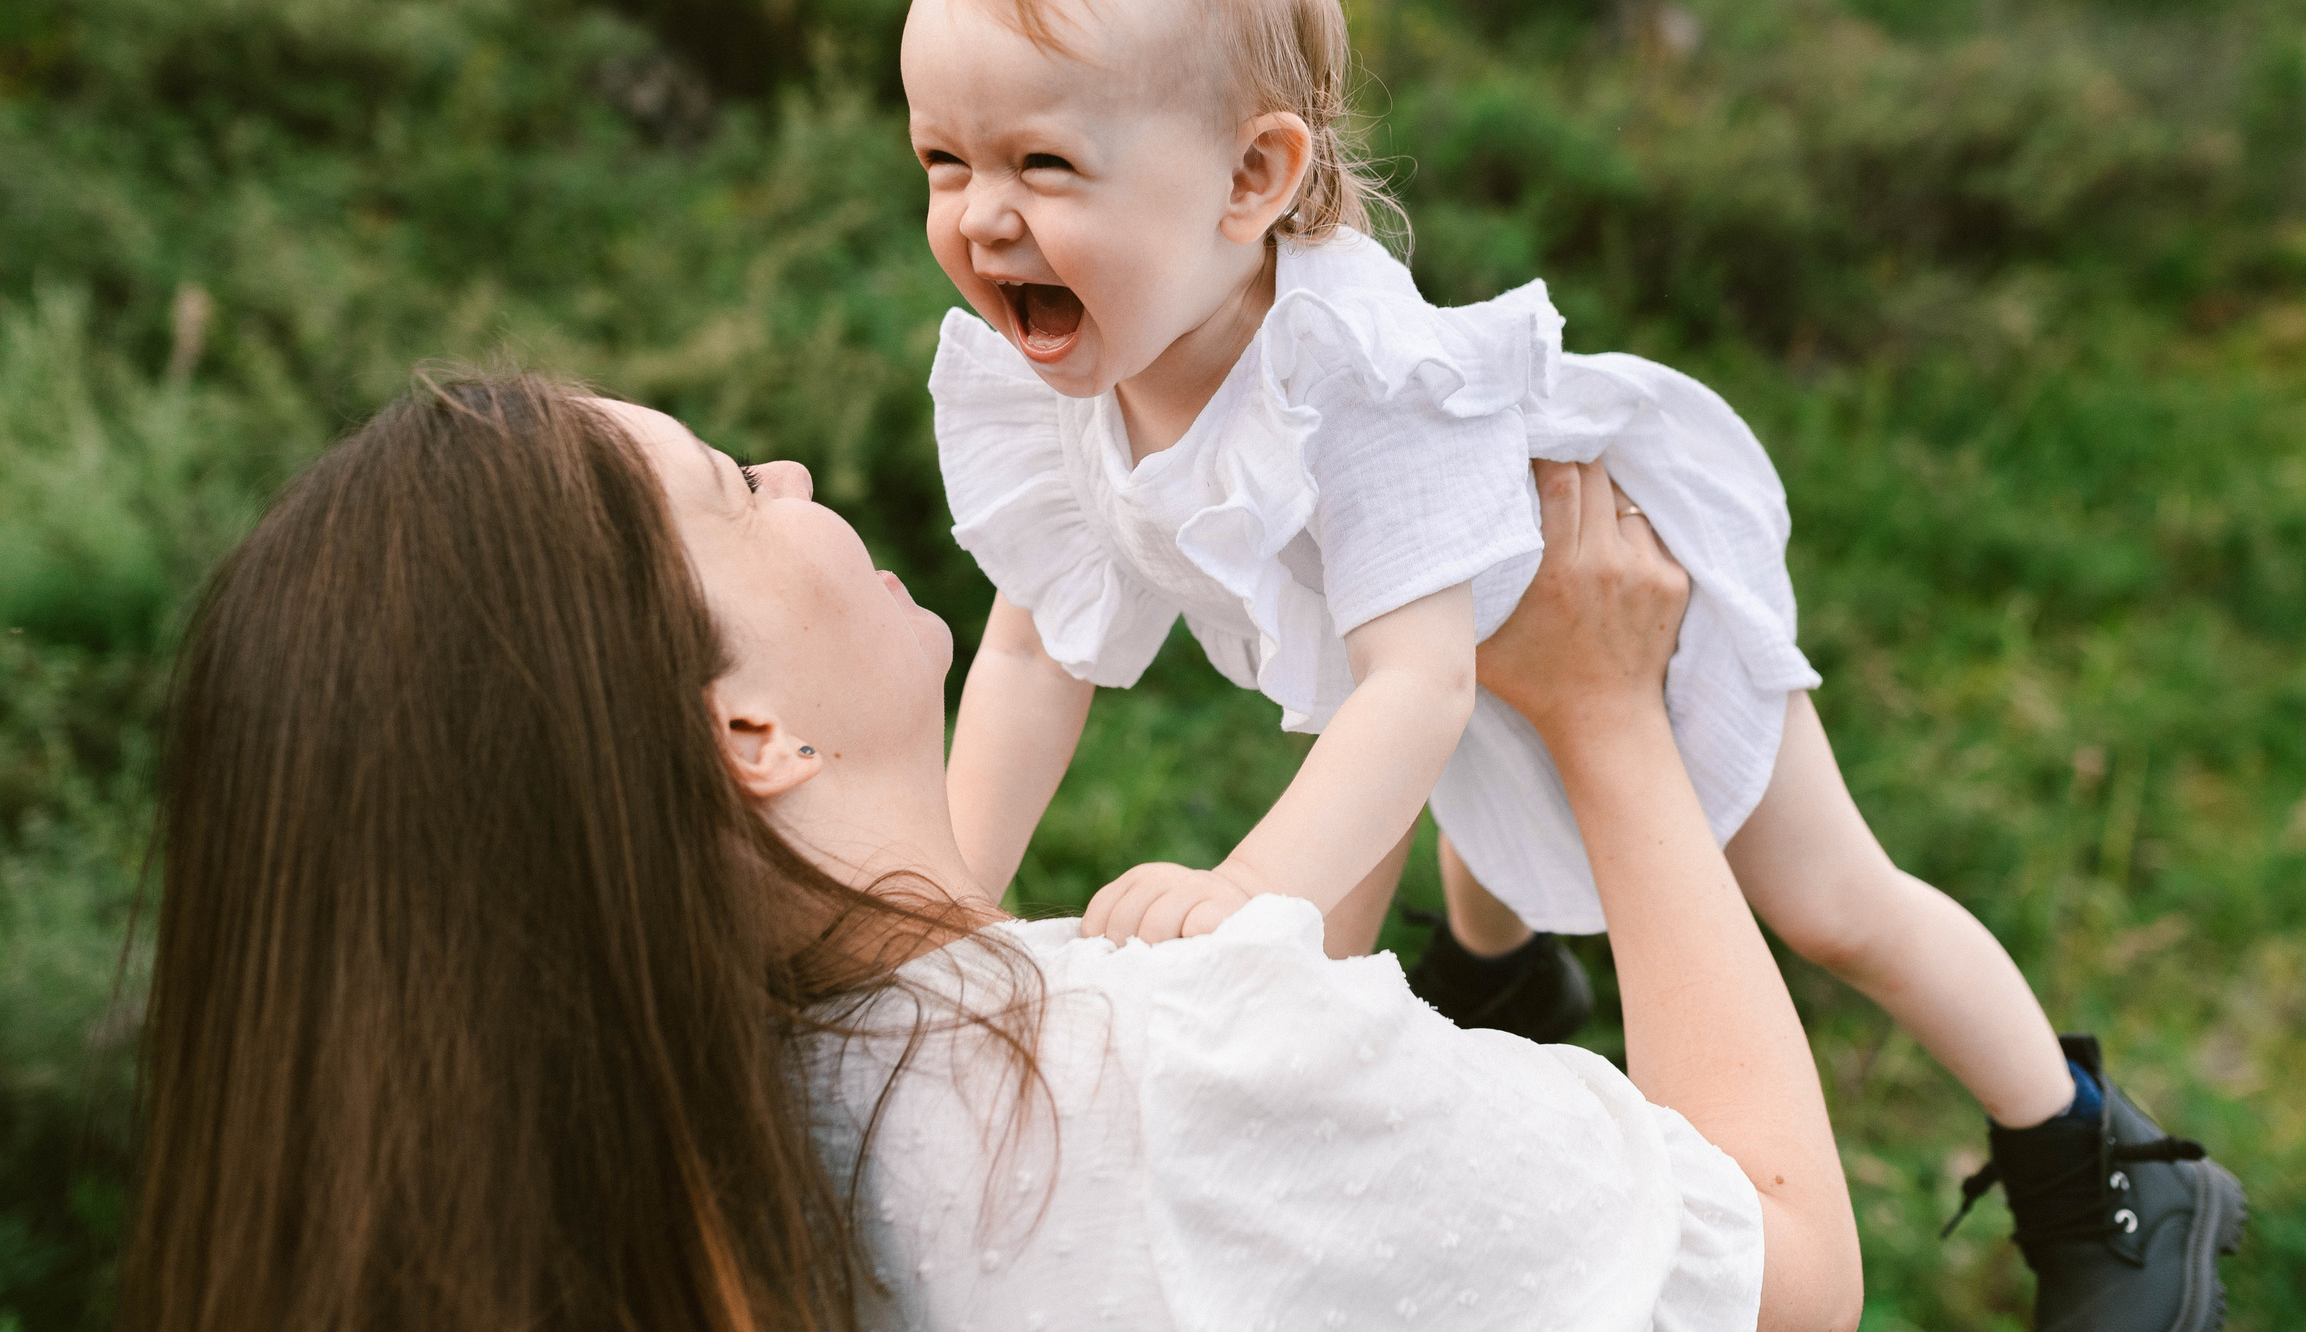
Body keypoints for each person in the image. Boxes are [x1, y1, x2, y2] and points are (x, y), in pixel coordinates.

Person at [904, 0, 2244, 1331]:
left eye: (1042, 165)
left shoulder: (1363, 381)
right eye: (944, 161)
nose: (982, 217)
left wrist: (1246, 899)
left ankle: (2101, 1165)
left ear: (1252, 177)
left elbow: (1417, 686)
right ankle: (1497, 981)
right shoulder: (1063, 383)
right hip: (1433, 664)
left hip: (1618, 591)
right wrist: (928, 912)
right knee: (1428, 820)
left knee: (1828, 899)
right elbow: (1034, 657)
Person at [118, 371, 1862, 1332]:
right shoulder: (1157, 1072)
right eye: (733, 488)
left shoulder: (701, 1149)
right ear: (748, 734)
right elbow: (1784, 1270)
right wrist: (1609, 717)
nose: (796, 470)